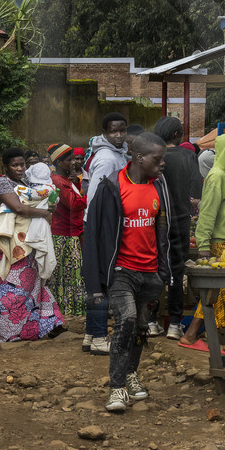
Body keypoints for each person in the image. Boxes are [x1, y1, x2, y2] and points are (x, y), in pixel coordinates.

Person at [84, 133, 184, 412]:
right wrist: (94, 282)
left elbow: (165, 230)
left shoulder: (160, 185)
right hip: (121, 271)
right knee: (126, 320)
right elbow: (93, 232)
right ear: (139, 158)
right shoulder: (111, 186)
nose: (163, 164)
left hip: (151, 273)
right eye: (158, 159)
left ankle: (131, 374)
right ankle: (116, 389)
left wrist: (166, 272)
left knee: (140, 328)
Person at [181, 134, 225, 353]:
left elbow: (223, 213)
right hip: (220, 245)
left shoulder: (224, 177)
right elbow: (208, 214)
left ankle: (192, 335)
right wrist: (203, 247)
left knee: (218, 293)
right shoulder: (218, 177)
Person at [0, 148, 64, 342]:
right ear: (6, 166)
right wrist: (45, 214)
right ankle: (7, 334)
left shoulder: (26, 183)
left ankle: (35, 328)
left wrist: (49, 205)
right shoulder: (2, 182)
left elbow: (40, 202)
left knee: (31, 287)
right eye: (15, 165)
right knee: (9, 290)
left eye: (23, 164)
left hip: (28, 243)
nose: (20, 168)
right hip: (9, 245)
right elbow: (19, 208)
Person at [81, 113, 130, 354]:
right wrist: (98, 232)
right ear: (104, 133)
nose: (118, 136)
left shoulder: (116, 155)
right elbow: (94, 201)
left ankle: (91, 334)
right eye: (113, 132)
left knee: (98, 279)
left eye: (122, 131)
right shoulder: (108, 159)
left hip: (103, 225)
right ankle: (100, 336)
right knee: (102, 280)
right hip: (100, 227)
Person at [155, 116, 201, 340]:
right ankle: (174, 323)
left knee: (154, 267)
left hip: (155, 221)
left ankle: (152, 321)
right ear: (176, 135)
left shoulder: (155, 156)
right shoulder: (189, 156)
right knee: (176, 270)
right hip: (181, 220)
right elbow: (196, 192)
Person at [46, 144, 87, 318]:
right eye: (69, 160)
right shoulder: (58, 182)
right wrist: (90, 196)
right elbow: (73, 204)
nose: (72, 163)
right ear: (59, 162)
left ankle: (66, 308)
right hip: (64, 234)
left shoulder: (66, 181)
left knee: (70, 272)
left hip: (71, 232)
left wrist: (75, 182)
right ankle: (62, 308)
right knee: (67, 273)